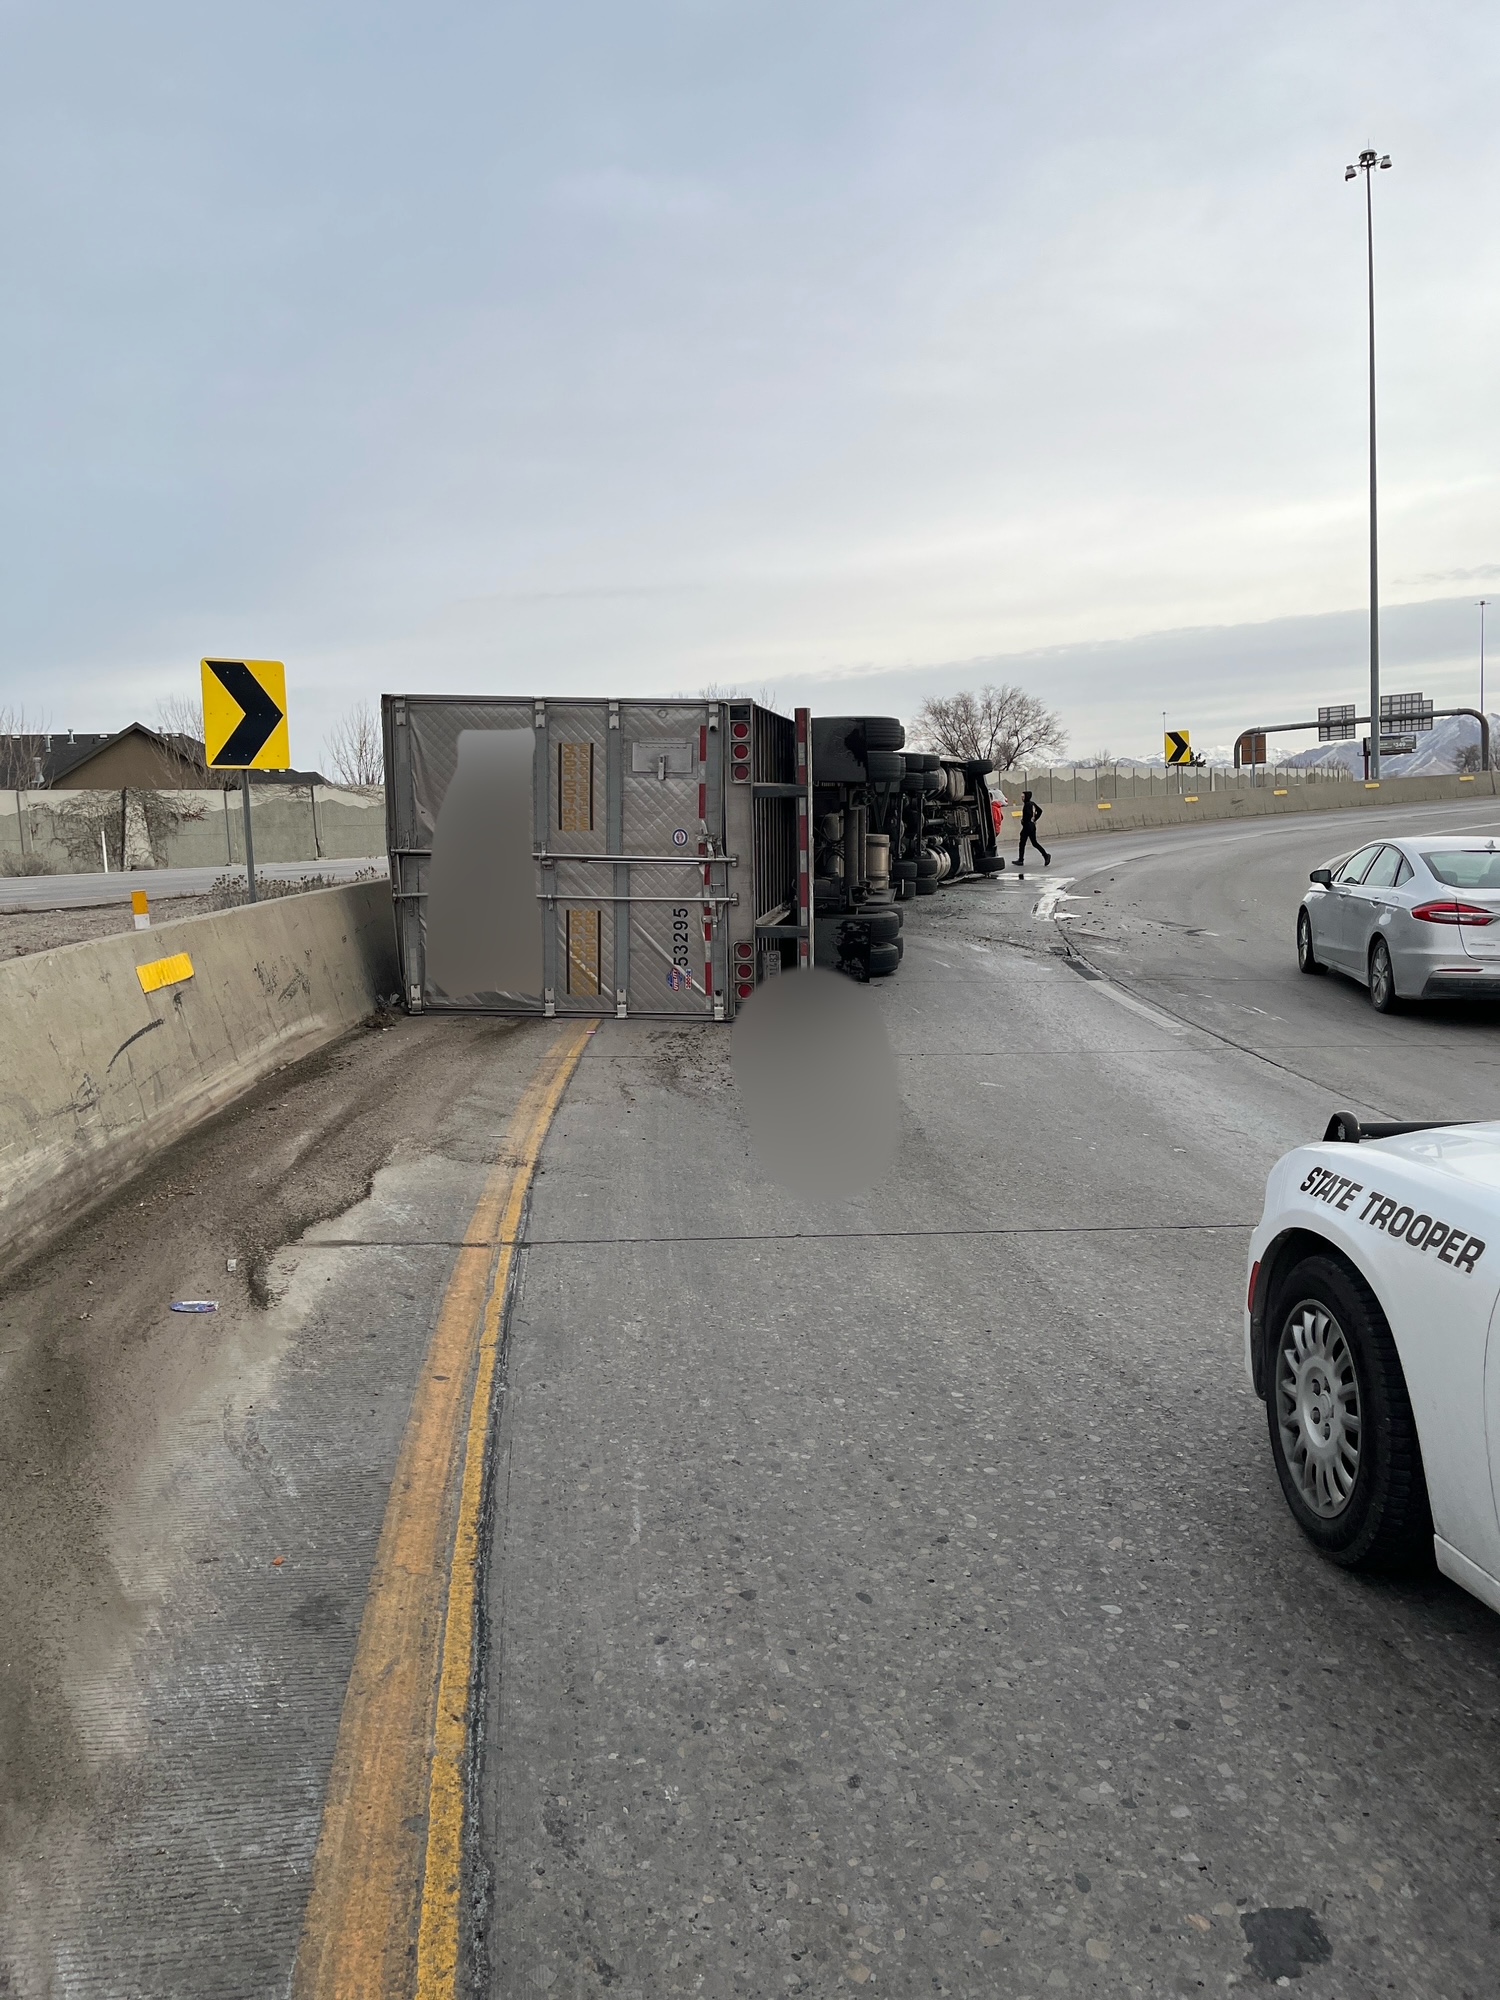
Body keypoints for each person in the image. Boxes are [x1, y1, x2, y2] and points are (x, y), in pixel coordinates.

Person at [1017, 790, 1050, 869]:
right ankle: (1045, 855)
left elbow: (1028, 815)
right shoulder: (1032, 804)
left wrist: (1024, 821)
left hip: (1027, 826)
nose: (1022, 798)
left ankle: (1021, 860)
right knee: (1034, 843)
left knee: (1023, 843)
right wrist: (1034, 819)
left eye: (1023, 796)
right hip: (1032, 826)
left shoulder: (1027, 805)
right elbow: (1040, 811)